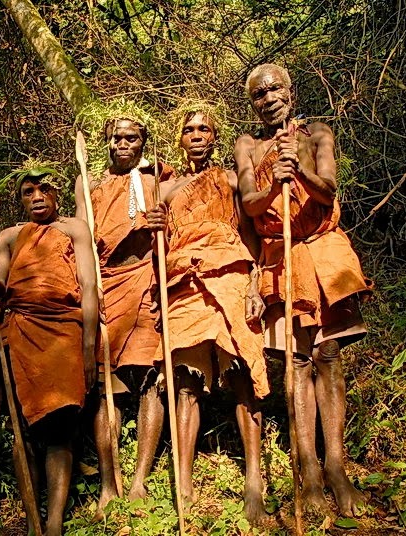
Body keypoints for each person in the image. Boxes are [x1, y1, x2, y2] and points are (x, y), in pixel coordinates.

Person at [235, 64, 373, 517]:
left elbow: (329, 191)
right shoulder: (249, 145)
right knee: (295, 362)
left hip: (321, 249)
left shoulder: (317, 133)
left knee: (328, 356)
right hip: (280, 255)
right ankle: (308, 469)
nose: (269, 98)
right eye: (259, 94)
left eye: (275, 89)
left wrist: (303, 173)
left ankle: (337, 466)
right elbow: (250, 205)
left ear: (290, 91)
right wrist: (275, 176)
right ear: (252, 103)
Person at [145, 105, 270, 525]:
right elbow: (155, 247)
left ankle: (254, 480)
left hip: (231, 272)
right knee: (184, 383)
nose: (197, 135)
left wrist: (255, 283)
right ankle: (183, 484)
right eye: (189, 129)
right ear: (179, 138)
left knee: (243, 375)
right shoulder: (164, 190)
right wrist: (155, 227)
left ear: (215, 137)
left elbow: (251, 233)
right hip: (183, 280)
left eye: (205, 129)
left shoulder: (231, 180)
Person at [0, 167, 98, 536]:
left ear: (56, 193)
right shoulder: (10, 236)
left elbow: (89, 287)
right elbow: (0, 292)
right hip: (21, 330)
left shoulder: (74, 228)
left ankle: (55, 523)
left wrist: (89, 344)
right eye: (29, 192)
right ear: (21, 199)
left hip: (63, 330)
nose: (38, 197)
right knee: (23, 428)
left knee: (60, 427)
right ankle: (32, 522)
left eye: (44, 189)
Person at [74, 113, 173, 517]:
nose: (123, 145)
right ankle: (108, 482)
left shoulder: (156, 183)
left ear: (143, 143)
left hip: (148, 280)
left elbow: (177, 231)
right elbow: (81, 239)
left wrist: (163, 223)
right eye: (116, 138)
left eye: (132, 138)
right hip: (107, 286)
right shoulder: (89, 183)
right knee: (104, 387)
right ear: (106, 142)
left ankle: (139, 480)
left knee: (151, 378)